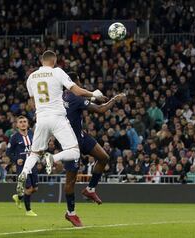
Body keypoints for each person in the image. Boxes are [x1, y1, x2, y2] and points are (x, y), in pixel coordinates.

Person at [16, 50, 106, 197]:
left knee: (34, 153)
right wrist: (93, 94)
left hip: (41, 118)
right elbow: (76, 90)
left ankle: (24, 173)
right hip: (57, 117)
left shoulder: (31, 78)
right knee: (74, 150)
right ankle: (52, 158)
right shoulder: (57, 72)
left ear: (41, 61)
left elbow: (32, 103)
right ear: (54, 61)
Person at [63, 71, 125, 227]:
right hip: (71, 143)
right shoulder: (75, 98)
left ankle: (90, 189)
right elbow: (101, 110)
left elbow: (82, 100)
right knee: (71, 180)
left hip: (81, 136)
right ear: (74, 83)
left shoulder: (64, 96)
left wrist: (94, 97)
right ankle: (71, 213)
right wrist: (114, 100)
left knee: (103, 157)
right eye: (78, 84)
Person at [7, 116, 37, 216]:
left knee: (35, 189)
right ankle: (28, 211)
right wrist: (16, 159)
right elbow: (8, 152)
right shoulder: (14, 137)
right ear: (17, 125)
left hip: (33, 164)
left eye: (25, 121)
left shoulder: (32, 134)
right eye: (20, 122)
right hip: (22, 166)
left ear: (28, 124)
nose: (23, 123)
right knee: (28, 188)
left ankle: (18, 197)